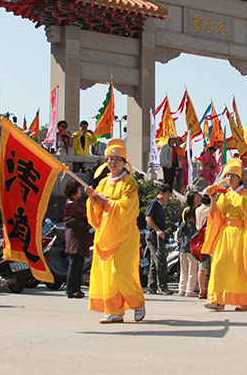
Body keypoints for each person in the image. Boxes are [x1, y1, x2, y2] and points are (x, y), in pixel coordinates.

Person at [84, 138, 146, 323]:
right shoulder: (102, 183)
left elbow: (129, 207)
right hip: (106, 233)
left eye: (117, 159)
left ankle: (137, 302)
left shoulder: (129, 183)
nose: (113, 163)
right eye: (110, 159)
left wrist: (105, 202)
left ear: (124, 162)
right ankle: (114, 311)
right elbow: (97, 210)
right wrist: (93, 199)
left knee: (120, 271)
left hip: (125, 233)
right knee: (107, 274)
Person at [201, 158, 247, 311]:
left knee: (239, 268)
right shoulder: (223, 195)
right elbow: (215, 215)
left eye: (232, 176)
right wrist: (213, 200)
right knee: (220, 266)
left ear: (239, 178)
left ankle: (243, 300)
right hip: (224, 235)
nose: (229, 179)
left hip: (240, 235)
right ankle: (218, 300)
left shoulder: (246, 196)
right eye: (227, 176)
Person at [144, 184, 174, 295]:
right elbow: (148, 218)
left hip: (158, 236)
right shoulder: (154, 203)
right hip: (153, 236)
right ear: (161, 193)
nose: (168, 198)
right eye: (167, 195)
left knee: (154, 262)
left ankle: (152, 287)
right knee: (160, 261)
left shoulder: (161, 205)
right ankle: (162, 287)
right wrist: (157, 230)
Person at [63, 178, 90, 299]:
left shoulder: (72, 202)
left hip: (77, 234)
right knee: (75, 263)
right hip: (75, 235)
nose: (80, 192)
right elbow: (87, 212)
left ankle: (75, 289)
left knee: (78, 263)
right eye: (79, 190)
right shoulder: (73, 204)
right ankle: (71, 289)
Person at [176, 206, 199, 296]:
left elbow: (178, 237)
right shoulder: (195, 226)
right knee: (192, 271)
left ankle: (181, 288)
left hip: (182, 249)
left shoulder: (183, 225)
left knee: (183, 270)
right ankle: (190, 289)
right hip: (191, 250)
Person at [195, 190, 212, 299]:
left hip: (199, 239)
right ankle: (209, 289)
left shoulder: (198, 209)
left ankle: (201, 290)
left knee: (202, 267)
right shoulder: (212, 209)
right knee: (212, 266)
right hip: (209, 237)